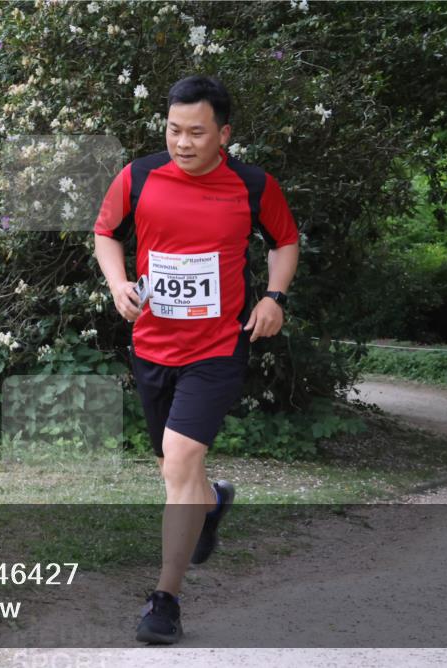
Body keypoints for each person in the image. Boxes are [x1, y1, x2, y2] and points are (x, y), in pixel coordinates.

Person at [92, 75, 299, 645]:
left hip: (218, 348)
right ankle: (211, 504)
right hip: (152, 345)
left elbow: (284, 240)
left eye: (197, 132)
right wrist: (117, 284)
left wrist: (274, 297)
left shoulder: (252, 185)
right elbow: (106, 232)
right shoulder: (138, 177)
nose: (183, 143)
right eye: (174, 130)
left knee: (182, 458)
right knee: (174, 469)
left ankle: (165, 599)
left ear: (223, 134)